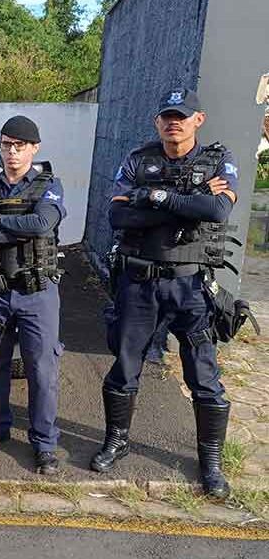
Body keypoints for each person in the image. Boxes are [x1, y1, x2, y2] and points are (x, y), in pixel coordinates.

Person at [91, 88, 240, 498]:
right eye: (167, 116)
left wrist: (156, 197)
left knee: (204, 376)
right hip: (139, 284)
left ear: (198, 119)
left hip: (191, 286)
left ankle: (210, 461)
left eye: (182, 116)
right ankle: (116, 442)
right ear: (158, 122)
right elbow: (118, 214)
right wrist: (188, 202)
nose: (174, 122)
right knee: (124, 366)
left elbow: (217, 211)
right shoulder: (139, 160)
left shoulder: (217, 160)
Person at [0, 115, 66, 475]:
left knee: (42, 369)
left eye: (20, 146)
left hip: (37, 292)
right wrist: (9, 229)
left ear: (34, 148)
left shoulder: (49, 186)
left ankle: (44, 444)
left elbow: (41, 225)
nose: (12, 152)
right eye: (6, 145)